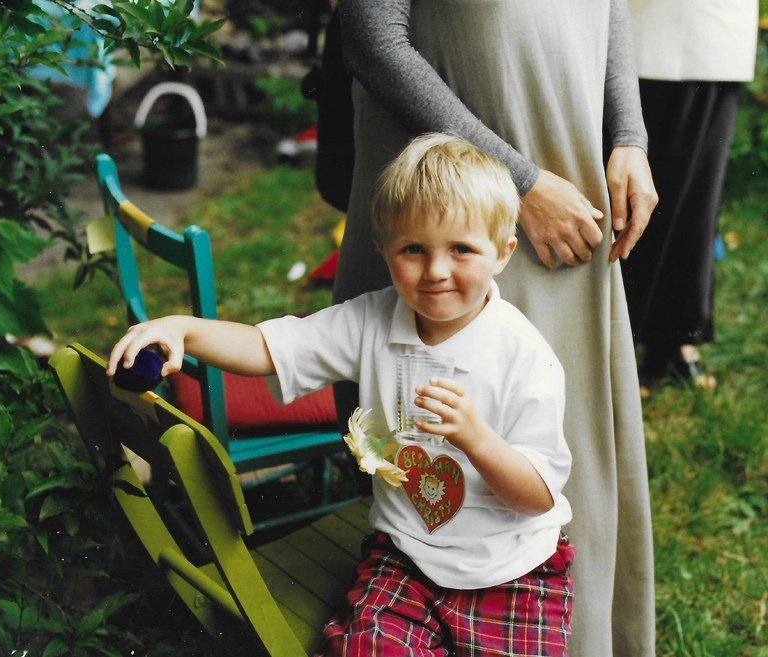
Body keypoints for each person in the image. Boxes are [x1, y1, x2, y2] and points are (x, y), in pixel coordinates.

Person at [108, 133, 576, 656]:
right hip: (407, 557)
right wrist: (183, 328)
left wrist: (478, 440)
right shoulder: (371, 321)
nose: (436, 270)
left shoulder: (523, 357)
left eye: (461, 249)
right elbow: (268, 348)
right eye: (413, 249)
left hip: (511, 568)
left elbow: (537, 496)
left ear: (503, 252)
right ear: (383, 249)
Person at [332, 2, 659, 655]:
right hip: (471, 193)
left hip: (567, 168)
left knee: (564, 443)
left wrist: (629, 135)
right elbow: (372, 40)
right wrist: (521, 183)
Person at [623, 0, 759, 391]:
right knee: (642, 202)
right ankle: (627, 345)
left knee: (698, 207)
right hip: (652, 37)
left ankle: (675, 340)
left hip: (715, 40)